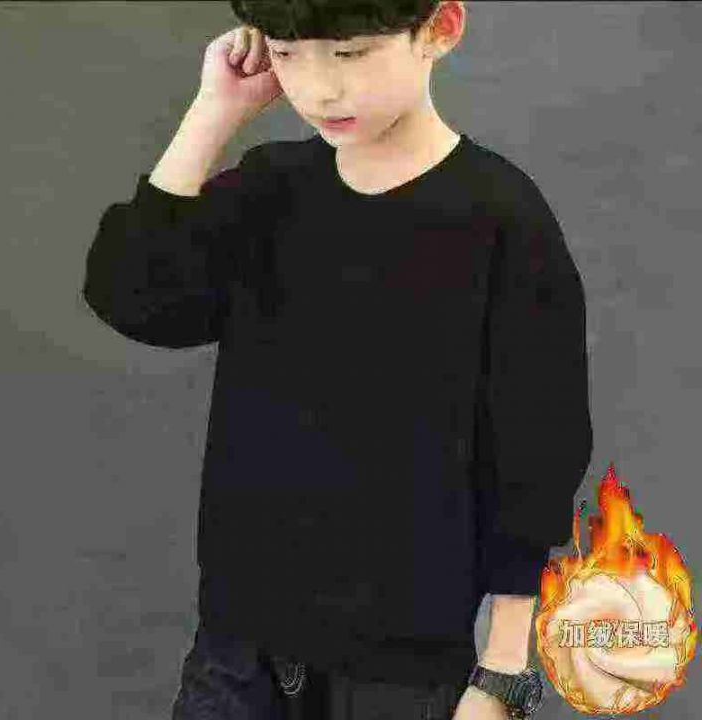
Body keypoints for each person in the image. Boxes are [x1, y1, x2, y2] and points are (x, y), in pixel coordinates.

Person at [81, 1, 593, 718]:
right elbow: (132, 298)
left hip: (405, 671)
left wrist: (502, 673)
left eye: (350, 54)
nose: (320, 89)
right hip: (237, 654)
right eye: (288, 54)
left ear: (440, 29)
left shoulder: (500, 217)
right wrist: (214, 112)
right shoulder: (271, 188)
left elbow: (536, 455)